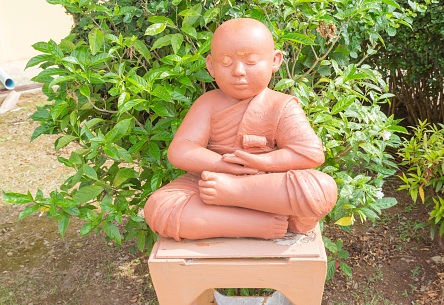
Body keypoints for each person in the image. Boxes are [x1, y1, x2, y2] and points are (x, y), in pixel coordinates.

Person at [144, 18, 337, 240]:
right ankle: (258, 225)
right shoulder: (208, 102)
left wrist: (260, 163)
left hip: (265, 187)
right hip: (209, 183)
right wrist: (222, 165)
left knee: (322, 188)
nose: (238, 71)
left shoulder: (281, 105)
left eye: (251, 61)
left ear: (275, 61)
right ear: (211, 66)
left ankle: (235, 194)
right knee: (159, 207)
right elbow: (179, 150)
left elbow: (310, 154)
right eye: (225, 62)